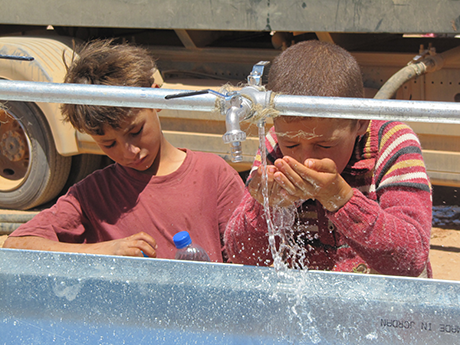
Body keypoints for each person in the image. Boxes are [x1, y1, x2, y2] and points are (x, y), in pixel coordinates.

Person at [4, 39, 244, 262]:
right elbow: (16, 245)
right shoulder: (93, 193)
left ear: (156, 97)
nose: (129, 152)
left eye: (136, 131)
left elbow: (249, 257)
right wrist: (104, 250)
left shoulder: (213, 175)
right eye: (109, 144)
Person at [224, 40, 432, 277]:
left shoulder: (392, 142)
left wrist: (341, 200)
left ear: (360, 122)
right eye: (292, 145)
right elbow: (240, 254)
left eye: (323, 145)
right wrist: (265, 207)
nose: (306, 160)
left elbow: (411, 260)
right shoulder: (274, 147)